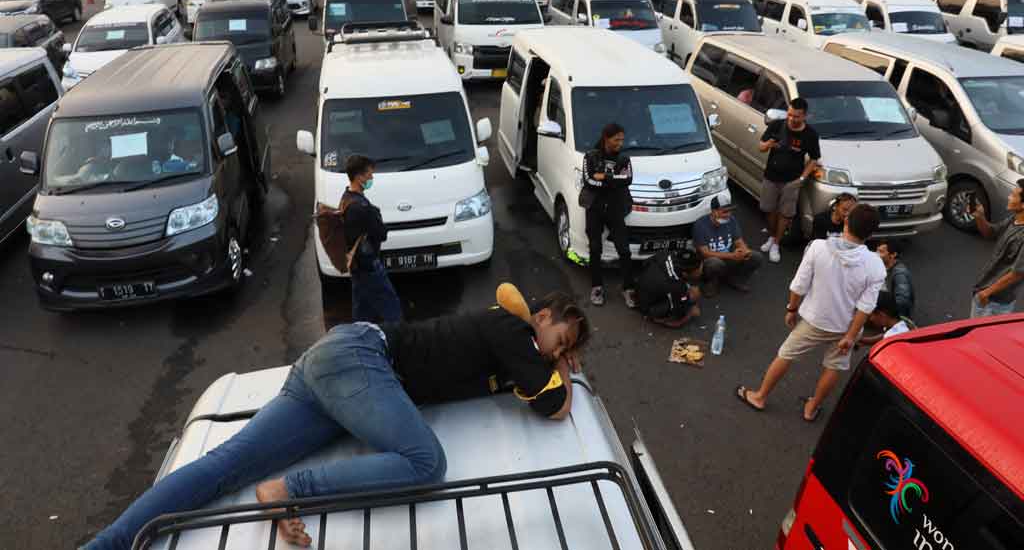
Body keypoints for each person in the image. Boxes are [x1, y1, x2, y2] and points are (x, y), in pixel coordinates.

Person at [82, 288, 590, 550]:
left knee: (225, 465)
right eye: (561, 342)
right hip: (363, 362)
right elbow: (554, 407)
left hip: (340, 370)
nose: (557, 354)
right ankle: (286, 490)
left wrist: (553, 365)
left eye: (565, 352)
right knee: (425, 462)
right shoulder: (513, 328)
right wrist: (564, 372)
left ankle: (107, 546)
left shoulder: (510, 344)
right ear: (541, 317)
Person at [737, 204, 886, 422]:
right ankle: (811, 408)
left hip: (815, 319)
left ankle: (760, 396)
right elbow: (866, 307)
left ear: (846, 222)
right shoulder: (875, 265)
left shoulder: (818, 247)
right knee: (834, 366)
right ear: (872, 233)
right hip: (846, 326)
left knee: (786, 353)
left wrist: (792, 309)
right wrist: (850, 336)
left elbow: (798, 286)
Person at [758, 98, 821, 264]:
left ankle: (776, 243)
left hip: (792, 181)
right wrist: (770, 144)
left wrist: (801, 178)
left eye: (796, 117)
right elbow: (761, 147)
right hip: (771, 176)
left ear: (805, 116)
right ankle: (772, 236)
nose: (792, 119)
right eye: (790, 115)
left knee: (785, 214)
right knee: (768, 208)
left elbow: (814, 159)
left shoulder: (810, 134)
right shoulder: (777, 126)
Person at [581, 123, 636, 308]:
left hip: (615, 209)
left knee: (624, 250)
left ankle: (628, 288)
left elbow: (628, 179)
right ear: (606, 138)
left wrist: (605, 177)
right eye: (616, 139)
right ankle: (596, 286)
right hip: (594, 209)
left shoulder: (624, 159)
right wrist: (614, 182)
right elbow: (588, 180)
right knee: (595, 249)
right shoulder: (590, 156)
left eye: (622, 139)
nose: (620, 143)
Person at [342, 155, 402, 323]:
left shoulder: (346, 199)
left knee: (362, 311)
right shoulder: (361, 208)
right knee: (391, 307)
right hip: (369, 266)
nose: (371, 178)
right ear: (359, 177)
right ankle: (400, 340)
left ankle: (360, 339)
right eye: (369, 174)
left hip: (357, 266)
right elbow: (381, 233)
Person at [970, 179, 1024, 317]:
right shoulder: (1014, 219)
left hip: (994, 303)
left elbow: (1017, 274)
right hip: (985, 292)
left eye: (1013, 195)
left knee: (978, 337)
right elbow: (991, 233)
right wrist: (980, 217)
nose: (1009, 197)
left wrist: (986, 293)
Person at [692, 196, 763, 297]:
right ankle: (712, 282)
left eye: (730, 211)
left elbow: (738, 240)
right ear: (714, 212)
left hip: (729, 256)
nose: (728, 215)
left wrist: (745, 251)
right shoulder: (700, 225)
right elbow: (705, 253)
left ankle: (736, 279)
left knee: (756, 257)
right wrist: (732, 256)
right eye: (725, 212)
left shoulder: (731, 220)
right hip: (709, 261)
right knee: (714, 263)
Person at [635, 246, 703, 328]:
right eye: (699, 270)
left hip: (640, 286)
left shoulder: (666, 254)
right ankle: (655, 317)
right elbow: (677, 323)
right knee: (692, 297)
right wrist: (690, 314)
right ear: (685, 273)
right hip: (647, 305)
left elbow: (645, 263)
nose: (701, 271)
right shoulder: (677, 287)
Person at [875, 238, 914, 318]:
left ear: (893, 255)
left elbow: (902, 302)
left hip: (894, 316)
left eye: (881, 252)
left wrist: (879, 299)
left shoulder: (900, 274)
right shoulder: (883, 265)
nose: (877, 254)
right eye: (877, 250)